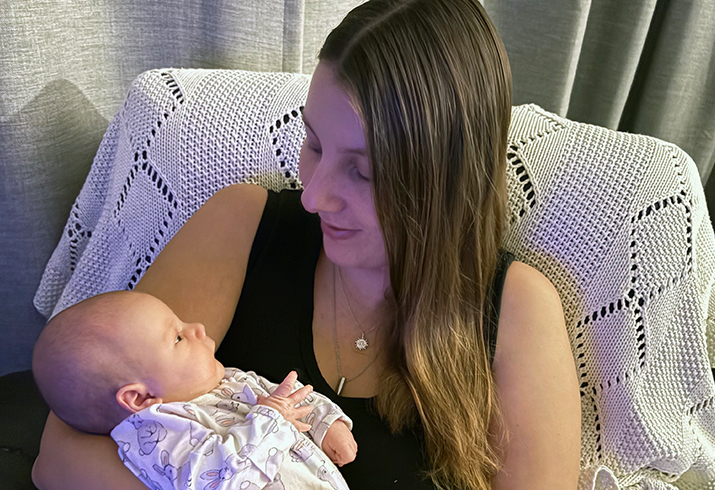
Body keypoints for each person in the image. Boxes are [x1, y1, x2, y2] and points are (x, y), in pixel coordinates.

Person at [33, 0, 581, 489]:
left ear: (447, 184)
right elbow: (61, 457)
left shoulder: (518, 310)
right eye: (314, 144)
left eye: (363, 173)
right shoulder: (241, 224)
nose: (314, 196)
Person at [32, 290, 355, 490]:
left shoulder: (226, 380)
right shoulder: (156, 433)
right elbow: (221, 480)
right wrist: (271, 417)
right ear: (140, 398)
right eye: (178, 338)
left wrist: (326, 423)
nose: (197, 328)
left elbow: (288, 394)